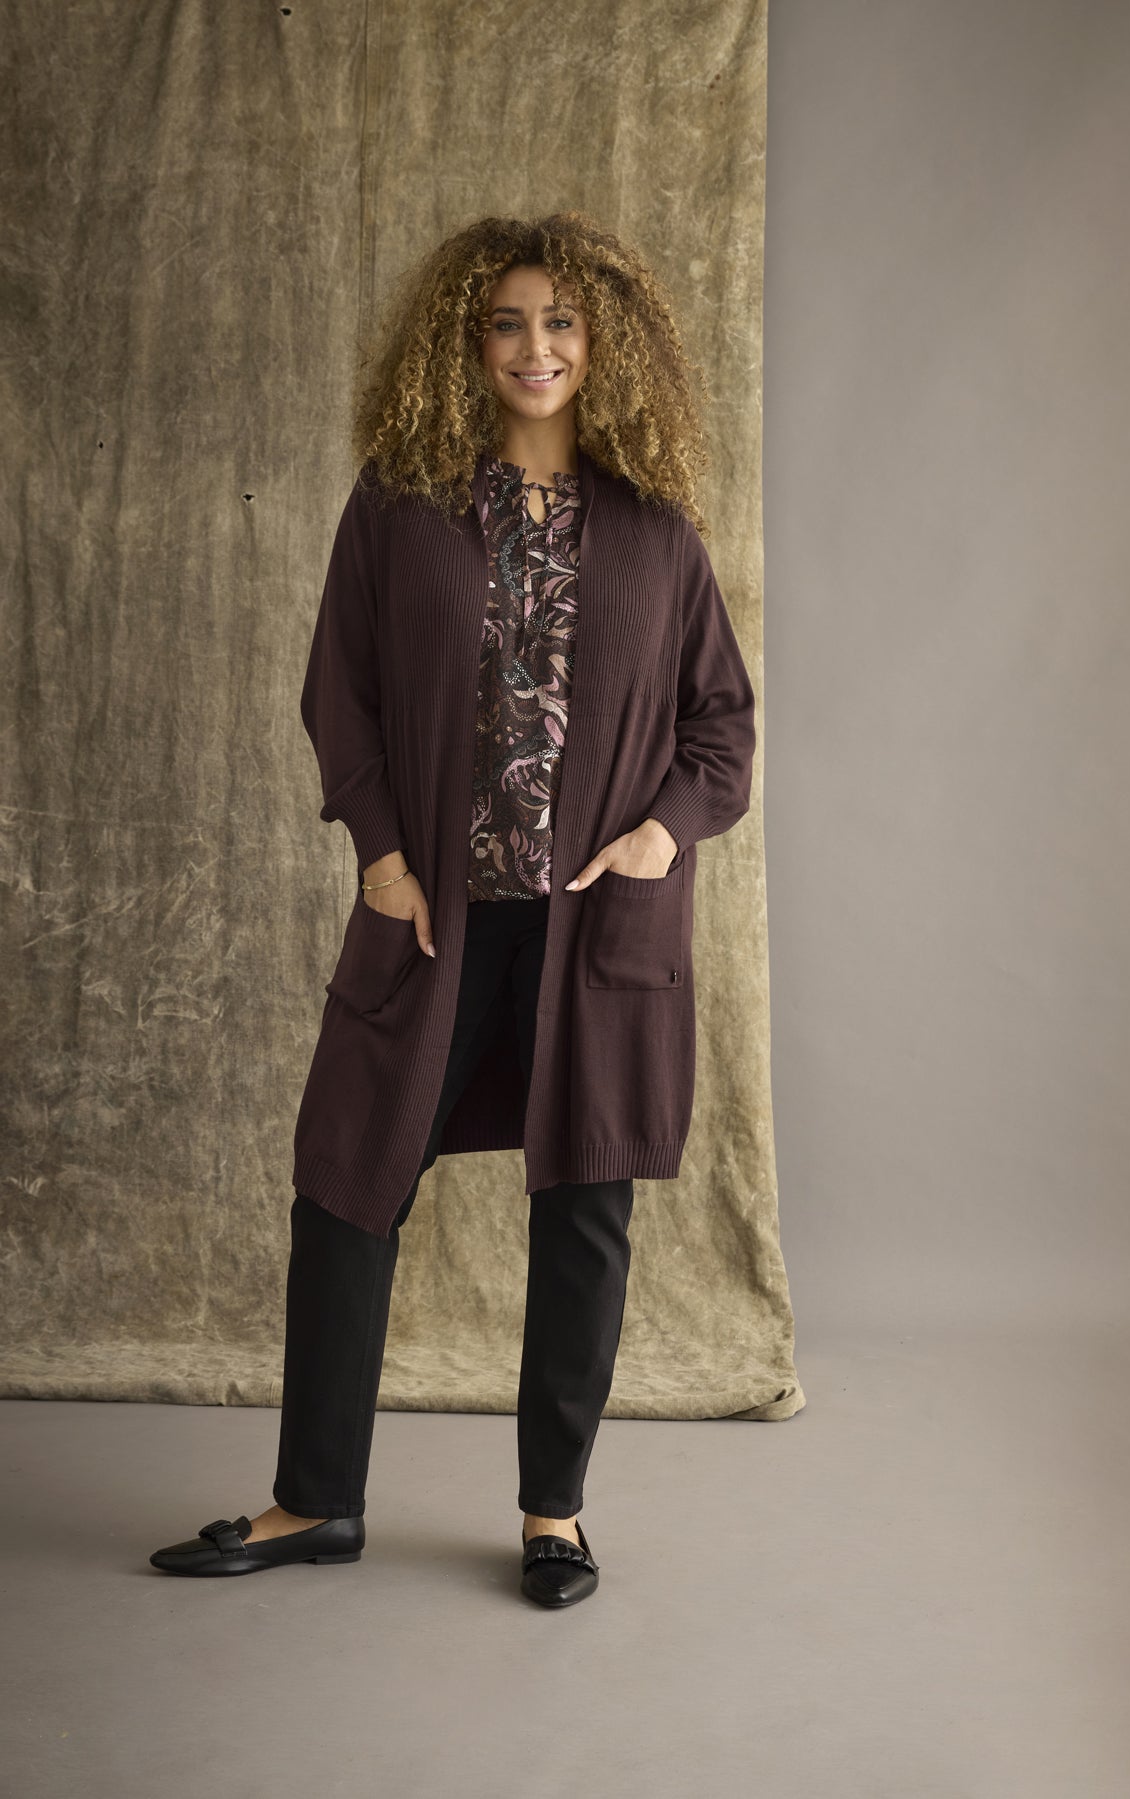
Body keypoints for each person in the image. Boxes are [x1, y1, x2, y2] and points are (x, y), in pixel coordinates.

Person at [149, 211, 756, 1607]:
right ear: (465, 344)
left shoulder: (655, 532)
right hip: (434, 913)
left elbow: (721, 728)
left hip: (595, 926)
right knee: (348, 1177)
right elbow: (340, 691)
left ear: (604, 343)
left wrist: (662, 835)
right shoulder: (403, 504)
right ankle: (315, 1501)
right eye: (507, 322)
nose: (535, 348)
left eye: (562, 322)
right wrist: (380, 851)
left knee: (585, 1202)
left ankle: (554, 1515)